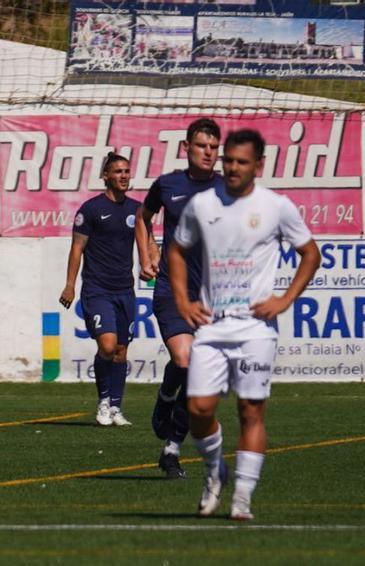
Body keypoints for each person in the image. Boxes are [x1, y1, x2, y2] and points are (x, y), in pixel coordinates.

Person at [168, 129, 318, 520]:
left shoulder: (277, 206)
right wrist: (183, 300)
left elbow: (310, 254)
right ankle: (216, 469)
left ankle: (243, 498)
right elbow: (176, 250)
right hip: (213, 327)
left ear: (259, 165)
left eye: (241, 161)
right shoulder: (202, 204)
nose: (232, 167)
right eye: (228, 160)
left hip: (255, 329)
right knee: (199, 409)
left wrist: (285, 300)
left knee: (251, 411)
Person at [135, 117, 223, 479]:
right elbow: (143, 216)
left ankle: (171, 450)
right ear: (187, 148)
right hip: (171, 290)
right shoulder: (167, 184)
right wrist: (147, 252)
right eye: (202, 146)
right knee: (187, 361)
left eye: (214, 147)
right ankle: (167, 397)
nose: (209, 153)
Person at [59, 153, 141, 427]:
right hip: (97, 289)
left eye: (127, 171)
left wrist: (151, 262)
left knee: (120, 351)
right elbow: (76, 248)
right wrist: (70, 285)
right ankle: (103, 401)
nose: (124, 175)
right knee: (107, 346)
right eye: (117, 171)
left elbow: (148, 242)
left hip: (125, 290)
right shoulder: (91, 210)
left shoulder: (137, 210)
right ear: (105, 176)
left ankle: (117, 407)